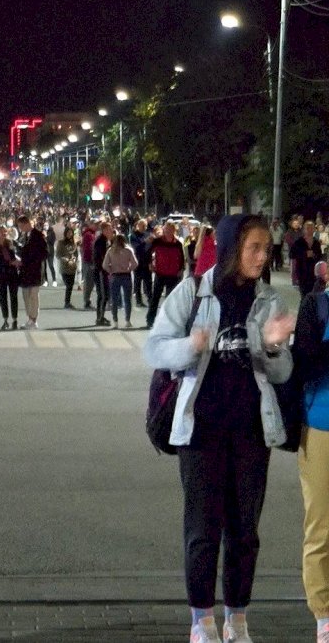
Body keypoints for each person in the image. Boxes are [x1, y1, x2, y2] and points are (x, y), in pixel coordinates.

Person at [144, 214, 295, 643]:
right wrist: (189, 346)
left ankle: (237, 620)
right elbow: (154, 347)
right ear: (231, 249)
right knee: (202, 531)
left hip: (251, 432)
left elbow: (282, 372)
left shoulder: (270, 300)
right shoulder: (192, 292)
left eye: (267, 248)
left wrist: (271, 346)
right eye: (255, 248)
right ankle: (202, 622)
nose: (263, 256)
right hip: (200, 432)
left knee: (245, 532)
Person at [293, 261, 329, 643]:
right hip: (321, 427)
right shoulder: (315, 306)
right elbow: (304, 362)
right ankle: (324, 615)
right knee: (321, 525)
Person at [146, 221, 185, 329]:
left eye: (170, 229)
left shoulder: (177, 243)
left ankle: (167, 322)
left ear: (174, 230)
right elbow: (148, 252)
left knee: (170, 300)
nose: (168, 231)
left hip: (173, 274)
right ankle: (150, 320)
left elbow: (181, 258)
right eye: (166, 229)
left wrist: (181, 269)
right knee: (155, 298)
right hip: (160, 273)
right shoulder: (157, 241)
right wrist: (150, 264)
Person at [16, 215, 46, 329]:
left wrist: (30, 258)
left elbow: (44, 253)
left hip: (35, 270)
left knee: (33, 295)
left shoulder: (38, 235)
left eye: (21, 226)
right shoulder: (25, 236)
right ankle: (30, 318)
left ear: (27, 223)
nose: (20, 228)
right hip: (26, 270)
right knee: (26, 295)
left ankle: (34, 319)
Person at [102, 233, 138, 328]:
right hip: (126, 275)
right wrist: (129, 269)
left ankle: (115, 321)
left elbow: (105, 265)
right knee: (127, 299)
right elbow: (135, 263)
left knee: (114, 299)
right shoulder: (128, 250)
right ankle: (127, 320)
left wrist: (110, 271)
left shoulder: (111, 250)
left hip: (115, 275)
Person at [0, 225, 20, 330]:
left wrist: (16, 259)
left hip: (12, 274)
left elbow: (18, 254)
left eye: (5, 232)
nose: (4, 234)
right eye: (2, 232)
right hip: (1, 274)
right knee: (3, 298)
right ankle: (5, 320)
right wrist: (10, 262)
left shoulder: (11, 243)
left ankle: (15, 320)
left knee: (14, 297)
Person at [291, 221, 324, 298]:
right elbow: (292, 254)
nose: (310, 230)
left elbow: (319, 256)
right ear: (304, 230)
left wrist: (314, 255)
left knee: (313, 296)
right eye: (308, 228)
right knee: (304, 296)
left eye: (311, 228)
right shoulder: (299, 242)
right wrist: (305, 254)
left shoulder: (316, 243)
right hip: (302, 272)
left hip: (314, 273)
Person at [56, 226, 79, 310]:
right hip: (64, 267)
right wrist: (66, 260)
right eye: (68, 232)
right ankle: (67, 303)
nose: (70, 234)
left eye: (71, 232)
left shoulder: (73, 243)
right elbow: (58, 255)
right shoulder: (61, 243)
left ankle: (68, 302)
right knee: (68, 284)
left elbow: (76, 254)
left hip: (72, 267)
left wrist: (73, 260)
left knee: (71, 285)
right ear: (65, 233)